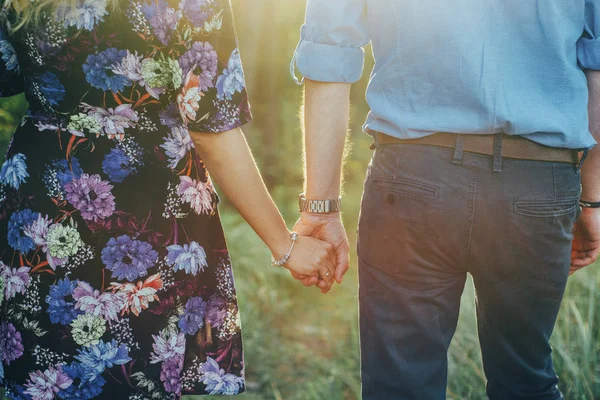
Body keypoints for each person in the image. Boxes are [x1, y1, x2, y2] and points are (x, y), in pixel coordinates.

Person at [0, 0, 336, 398]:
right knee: (135, 378)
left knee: (47, 381)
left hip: (40, 213)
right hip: (147, 217)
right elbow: (212, 129)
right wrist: (285, 245)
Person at [292, 0, 600, 399]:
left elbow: (328, 55)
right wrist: (591, 201)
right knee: (526, 380)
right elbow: (596, 69)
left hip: (413, 180)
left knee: (399, 386)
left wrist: (321, 207)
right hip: (537, 183)